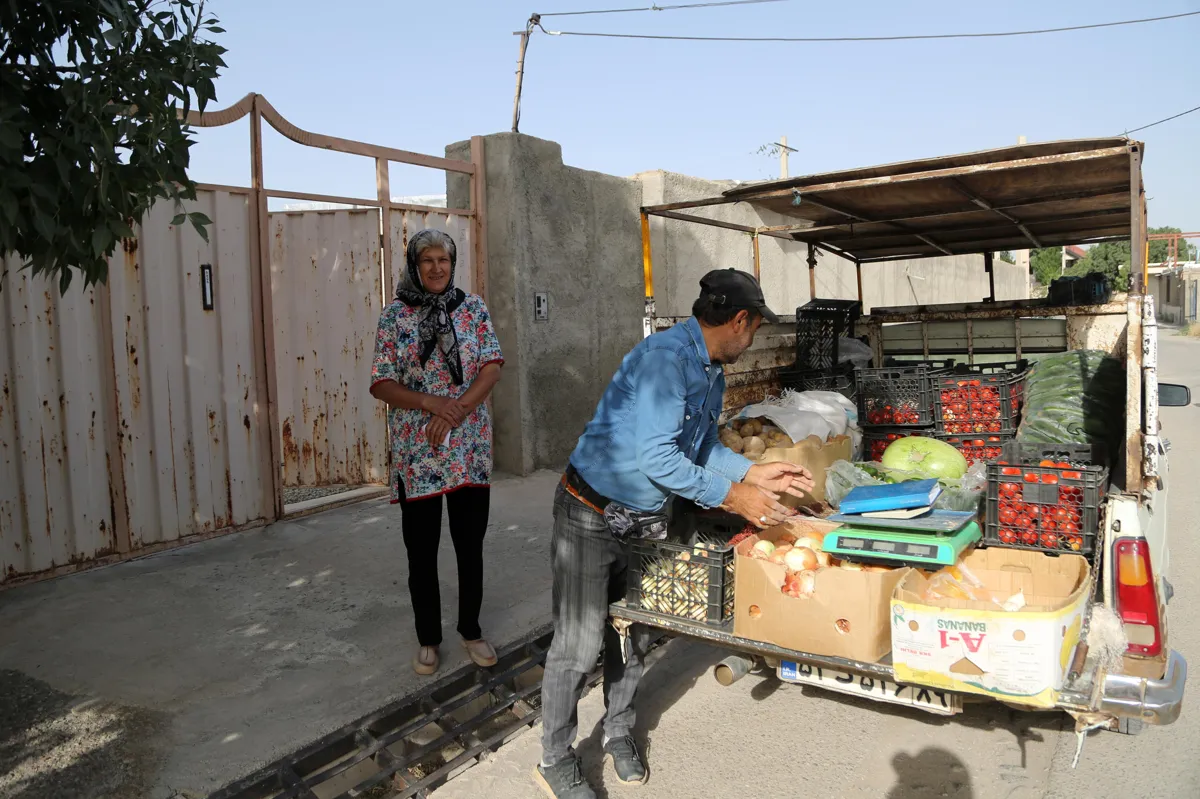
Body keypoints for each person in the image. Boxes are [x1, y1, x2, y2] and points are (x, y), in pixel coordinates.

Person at [534, 269, 815, 798]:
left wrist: (752, 473)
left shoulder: (711, 370)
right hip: (589, 515)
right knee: (578, 643)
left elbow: (698, 445)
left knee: (635, 631)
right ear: (739, 321)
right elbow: (658, 456)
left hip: (642, 519)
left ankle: (618, 730)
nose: (752, 339)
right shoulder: (667, 361)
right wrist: (734, 497)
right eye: (754, 328)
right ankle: (554, 757)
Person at [370, 229, 504, 676]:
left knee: (470, 544)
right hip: (418, 450)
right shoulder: (395, 316)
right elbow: (382, 382)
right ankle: (429, 637)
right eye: (426, 260)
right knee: (421, 551)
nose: (436, 268)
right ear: (413, 264)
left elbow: (491, 366)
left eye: (443, 259)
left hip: (466, 448)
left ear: (453, 262)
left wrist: (457, 411)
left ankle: (471, 628)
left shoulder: (474, 308)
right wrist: (432, 404)